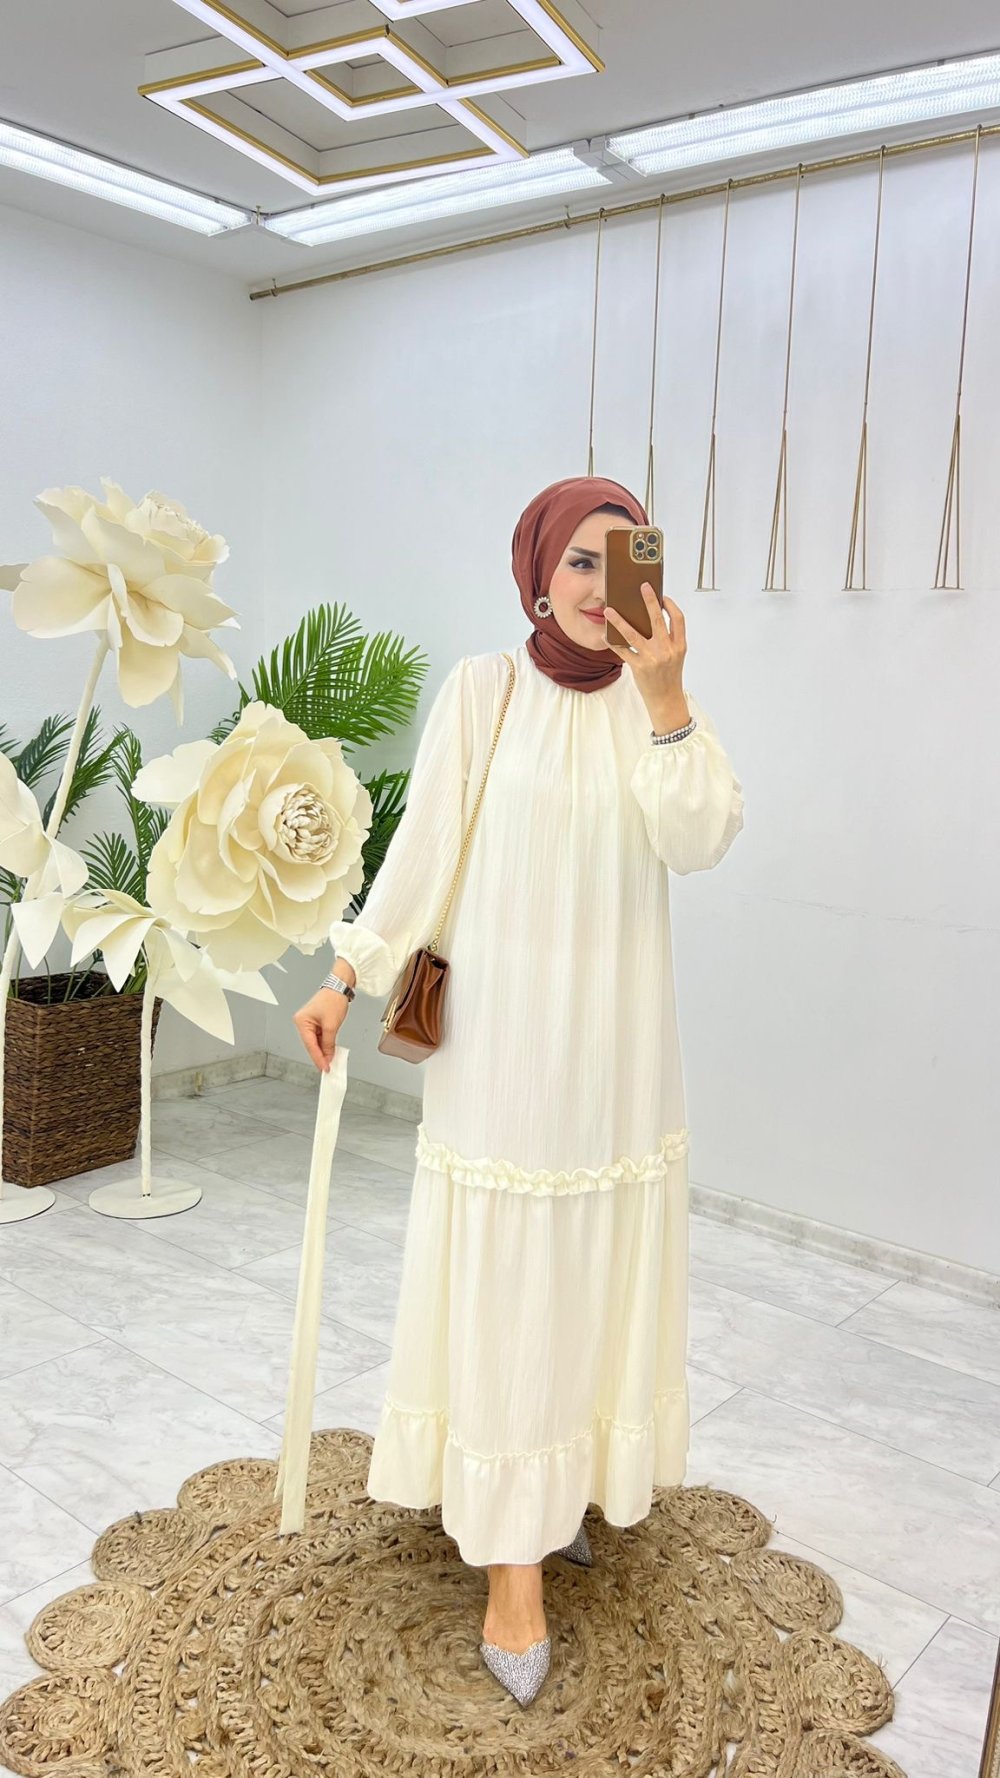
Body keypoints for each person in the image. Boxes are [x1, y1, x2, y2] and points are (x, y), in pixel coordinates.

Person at [294, 474, 744, 1707]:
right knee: (510, 1277)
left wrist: (666, 697)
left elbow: (699, 838)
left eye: (625, 558)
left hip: (617, 1049)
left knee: (594, 1264)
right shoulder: (484, 688)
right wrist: (346, 970)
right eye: (580, 560)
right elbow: (423, 848)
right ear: (538, 573)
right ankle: (510, 1561)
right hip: (503, 1049)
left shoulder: (658, 703)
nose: (601, 586)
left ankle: (563, 1484)